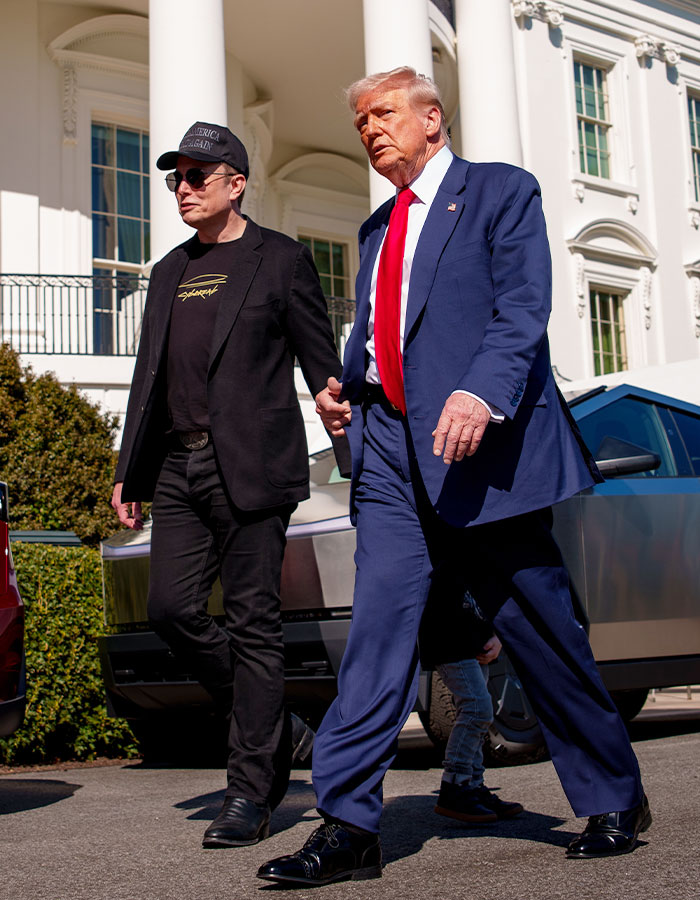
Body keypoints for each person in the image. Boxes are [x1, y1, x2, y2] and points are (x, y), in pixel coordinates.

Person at [257, 68, 650, 886]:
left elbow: (521, 307)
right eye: (361, 117)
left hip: (484, 454)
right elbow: (380, 338)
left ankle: (614, 793)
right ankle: (348, 825)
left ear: (432, 120)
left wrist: (480, 391)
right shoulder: (374, 231)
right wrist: (346, 391)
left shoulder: (500, 192)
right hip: (394, 458)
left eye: (385, 112)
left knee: (542, 634)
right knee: (377, 638)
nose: (371, 128)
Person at [111, 121, 344, 849]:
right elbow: (149, 376)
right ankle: (272, 728)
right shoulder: (169, 270)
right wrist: (131, 469)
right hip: (179, 465)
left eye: (196, 176)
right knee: (172, 609)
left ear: (235, 183)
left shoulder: (281, 260)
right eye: (175, 177)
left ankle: (251, 789)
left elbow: (319, 361)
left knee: (254, 625)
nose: (182, 189)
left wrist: (349, 437)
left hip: (252, 464)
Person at [420, 587, 523, 824]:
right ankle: (455, 785)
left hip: (477, 640)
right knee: (477, 708)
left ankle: (473, 786)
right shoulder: (438, 556)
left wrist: (496, 635)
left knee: (477, 712)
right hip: (449, 642)